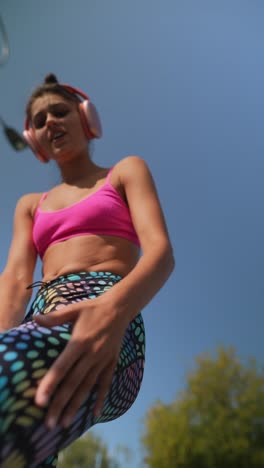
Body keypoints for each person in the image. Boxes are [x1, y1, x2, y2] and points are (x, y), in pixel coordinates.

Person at [0, 74, 174, 466]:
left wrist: (112, 311)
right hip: (39, 323)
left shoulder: (126, 171)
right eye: (39, 120)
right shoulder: (30, 204)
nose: (50, 123)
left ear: (86, 119)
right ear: (34, 141)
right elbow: (13, 281)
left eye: (59, 111)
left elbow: (161, 254)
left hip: (114, 320)